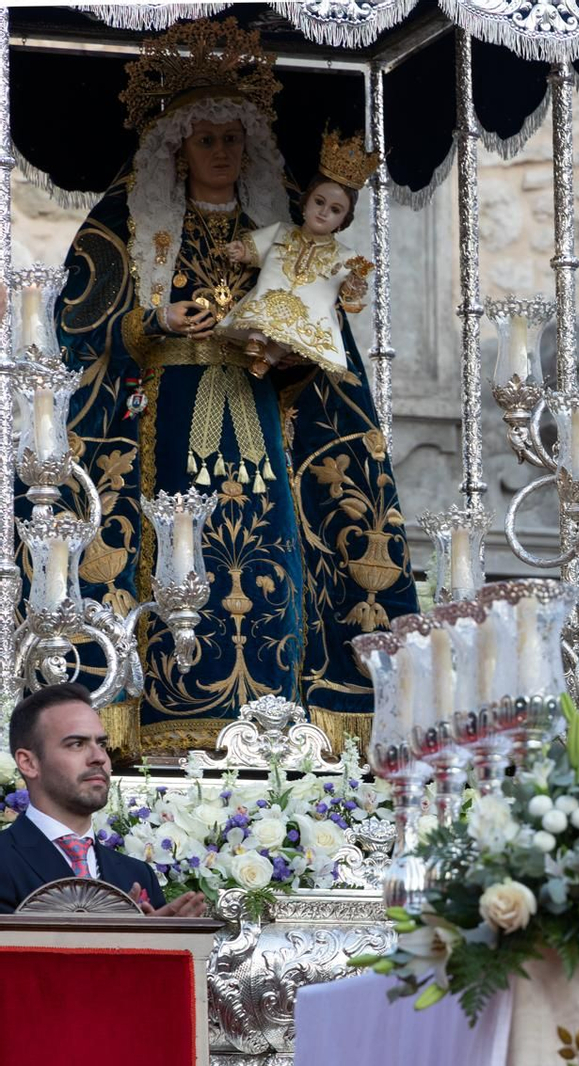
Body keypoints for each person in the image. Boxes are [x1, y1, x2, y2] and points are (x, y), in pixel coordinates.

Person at [53, 20, 416, 759]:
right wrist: (156, 323)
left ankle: (275, 728)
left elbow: (327, 346)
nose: (222, 151)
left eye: (232, 139)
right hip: (167, 430)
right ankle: (158, 724)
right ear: (178, 151)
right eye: (206, 139)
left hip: (262, 426)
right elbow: (80, 332)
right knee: (179, 569)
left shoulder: (285, 234)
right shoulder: (127, 229)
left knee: (272, 562)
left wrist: (293, 356)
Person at [0, 683, 206, 916]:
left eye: (102, 744)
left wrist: (166, 945)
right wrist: (124, 940)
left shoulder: (138, 875)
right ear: (29, 763)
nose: (99, 757)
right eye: (77, 744)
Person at [219, 130, 376, 381]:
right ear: (306, 203)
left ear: (342, 221)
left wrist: (353, 285)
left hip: (310, 310)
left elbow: (349, 293)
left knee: (299, 333)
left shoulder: (346, 255)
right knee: (263, 304)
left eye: (335, 210)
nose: (323, 213)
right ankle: (257, 340)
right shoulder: (283, 231)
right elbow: (256, 247)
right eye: (319, 202)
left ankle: (268, 358)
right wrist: (244, 251)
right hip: (272, 296)